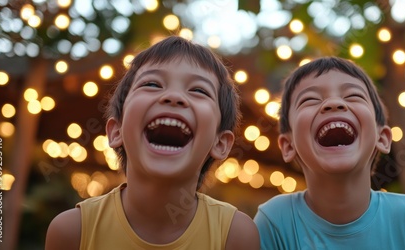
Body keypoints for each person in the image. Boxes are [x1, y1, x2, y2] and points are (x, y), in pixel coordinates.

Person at [46, 36, 260, 250]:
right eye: (152, 84)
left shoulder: (235, 234)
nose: (174, 96)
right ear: (116, 131)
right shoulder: (73, 231)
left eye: (198, 90)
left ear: (221, 143)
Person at [254, 56, 405, 249]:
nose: (333, 103)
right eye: (310, 99)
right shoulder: (275, 221)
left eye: (353, 96)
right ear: (288, 146)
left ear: (382, 138)